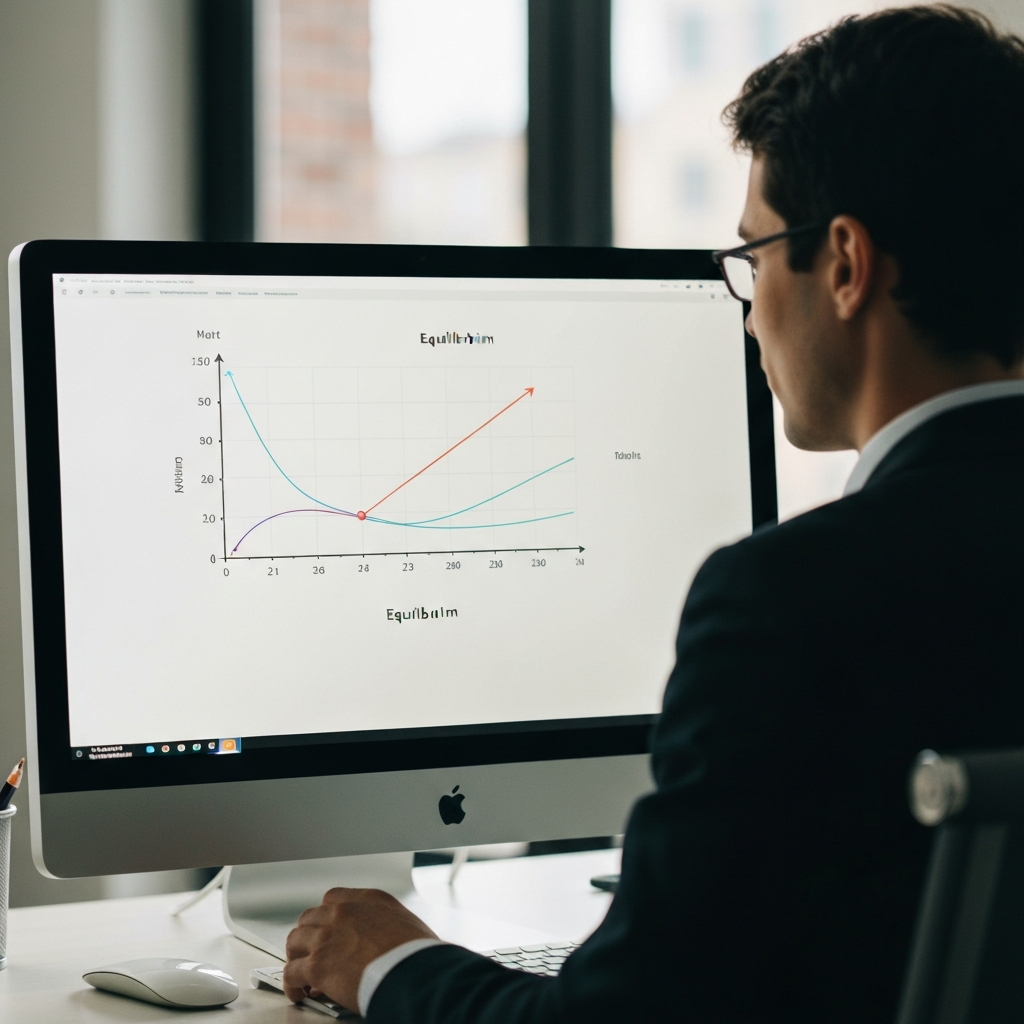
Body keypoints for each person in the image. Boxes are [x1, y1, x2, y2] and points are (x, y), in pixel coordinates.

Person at [283, 7, 1024, 1021]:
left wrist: (390, 964)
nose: (752, 305)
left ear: (844, 265)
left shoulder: (790, 603)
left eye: (754, 256)